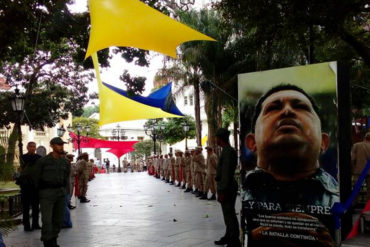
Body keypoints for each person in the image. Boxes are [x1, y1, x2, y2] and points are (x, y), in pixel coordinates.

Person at [243, 84, 339, 247]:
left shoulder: (338, 199)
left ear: (323, 142)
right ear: (252, 142)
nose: (287, 111)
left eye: (301, 107)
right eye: (274, 108)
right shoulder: (244, 195)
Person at [32, 137, 70, 247]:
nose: (61, 146)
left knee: (58, 219)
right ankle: (47, 241)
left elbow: (66, 178)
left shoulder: (65, 162)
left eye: (62, 144)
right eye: (58, 144)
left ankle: (54, 238)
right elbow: (36, 177)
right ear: (52, 146)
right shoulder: (43, 161)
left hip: (60, 193)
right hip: (47, 193)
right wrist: (39, 193)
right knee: (47, 220)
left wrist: (66, 192)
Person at [214, 128, 240, 247]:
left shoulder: (228, 152)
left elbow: (226, 173)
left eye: (217, 138)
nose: (215, 140)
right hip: (227, 186)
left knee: (229, 214)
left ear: (220, 138)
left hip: (227, 187)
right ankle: (229, 235)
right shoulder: (226, 150)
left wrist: (222, 190)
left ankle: (234, 240)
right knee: (228, 214)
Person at [19, 141, 42, 231]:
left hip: (35, 185)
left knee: (36, 206)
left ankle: (35, 224)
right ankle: (26, 225)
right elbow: (21, 170)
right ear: (27, 147)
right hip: (25, 185)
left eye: (34, 146)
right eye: (31, 146)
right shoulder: (23, 157)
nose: (32, 148)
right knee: (26, 206)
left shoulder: (39, 158)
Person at [351, 132, 370, 203]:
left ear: (364, 138)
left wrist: (352, 169)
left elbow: (352, 159)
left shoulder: (356, 145)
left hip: (358, 171)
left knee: (356, 189)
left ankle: (354, 204)